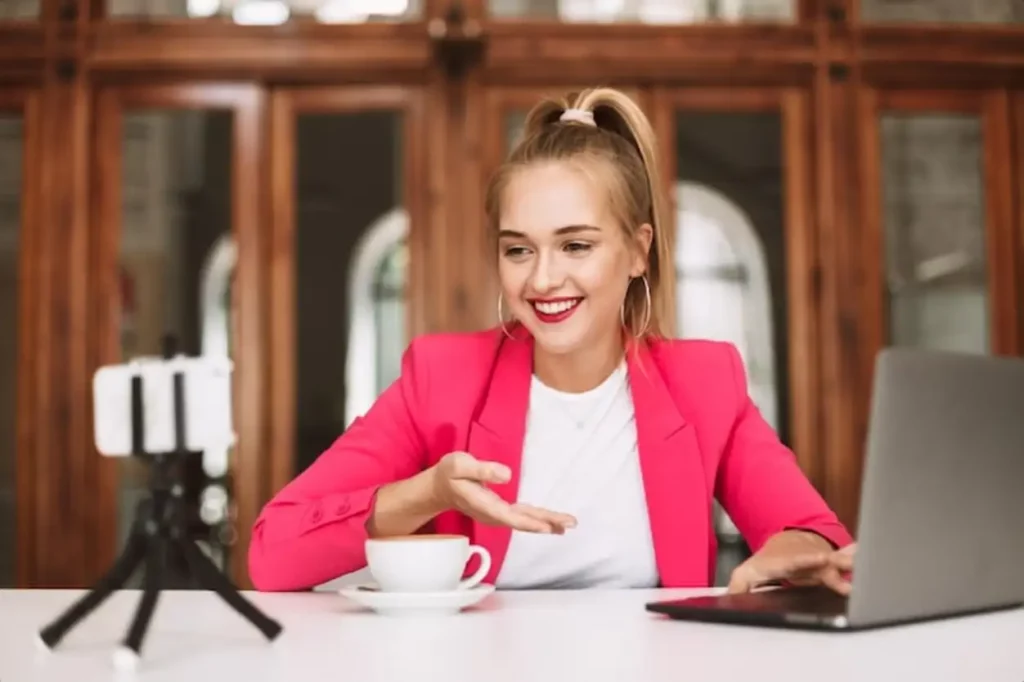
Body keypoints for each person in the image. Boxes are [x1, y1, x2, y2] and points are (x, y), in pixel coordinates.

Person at [248, 87, 856, 595]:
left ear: (638, 251)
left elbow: (812, 532)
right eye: (519, 249)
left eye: (576, 245)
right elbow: (272, 555)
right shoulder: (443, 378)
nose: (542, 279)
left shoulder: (703, 381)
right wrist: (426, 492)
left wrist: (797, 553)